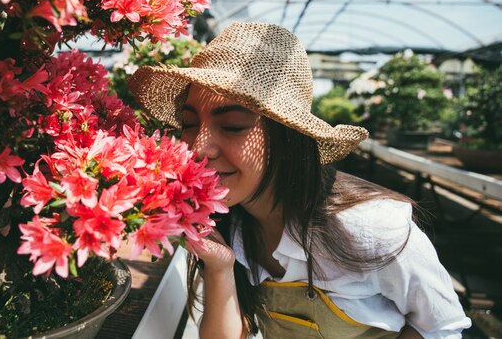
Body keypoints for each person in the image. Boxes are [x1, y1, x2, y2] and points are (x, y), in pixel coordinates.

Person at [127, 22, 471, 339]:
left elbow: (443, 327)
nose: (198, 147)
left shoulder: (369, 228)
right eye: (189, 124)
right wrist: (219, 269)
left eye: (232, 125)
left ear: (288, 139)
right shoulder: (230, 223)